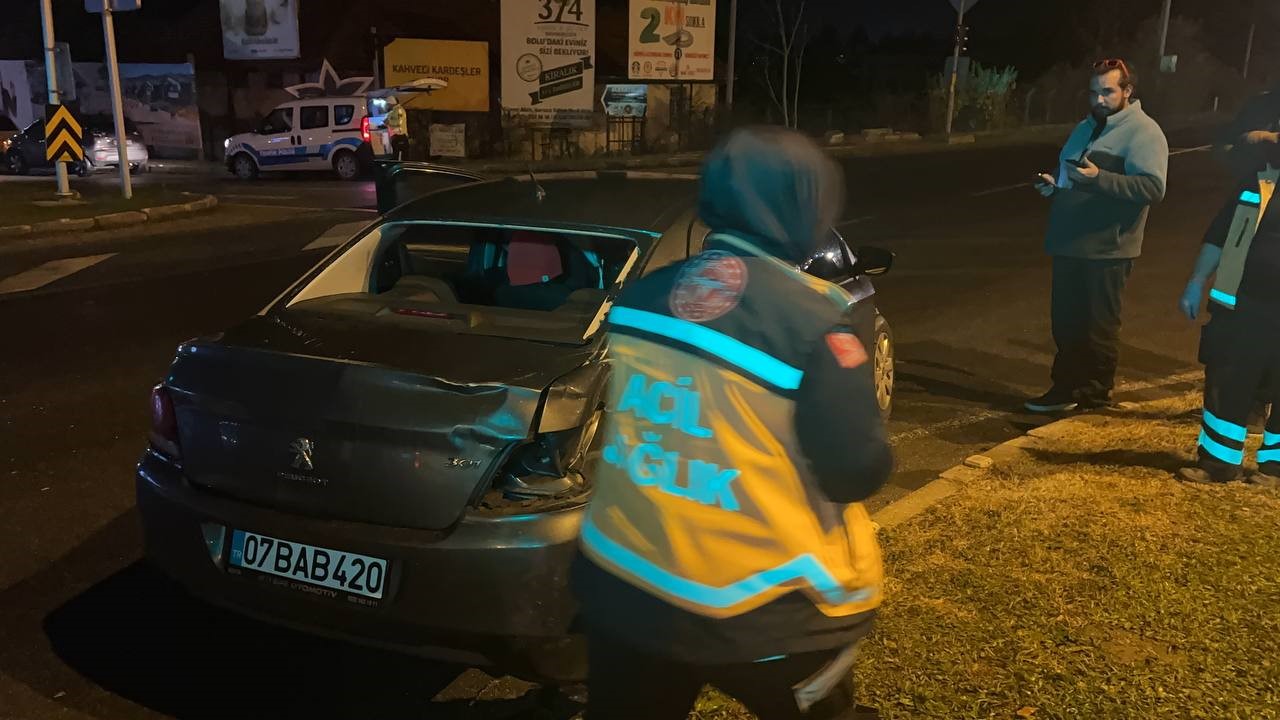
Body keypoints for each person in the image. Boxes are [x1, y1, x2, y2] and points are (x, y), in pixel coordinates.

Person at [571, 127, 893, 719]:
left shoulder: (639, 300)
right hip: (766, 603)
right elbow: (856, 470)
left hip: (628, 584)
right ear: (806, 208)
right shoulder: (817, 322)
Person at [1027, 58, 1169, 412]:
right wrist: (1054, 188)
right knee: (1067, 324)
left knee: (1098, 327)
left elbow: (1153, 187)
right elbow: (1070, 176)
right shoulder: (1084, 127)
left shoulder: (1144, 132)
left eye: (1108, 91)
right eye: (1094, 92)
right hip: (1068, 242)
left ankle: (1094, 396)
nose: (1099, 99)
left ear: (1127, 91)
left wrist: (1099, 179)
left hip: (1109, 247)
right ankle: (1064, 389)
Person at [1176, 150, 1280, 487]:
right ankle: (1218, 463)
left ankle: (1275, 469)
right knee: (1227, 378)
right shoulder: (1260, 180)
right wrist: (1195, 281)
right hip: (1241, 301)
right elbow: (1220, 235)